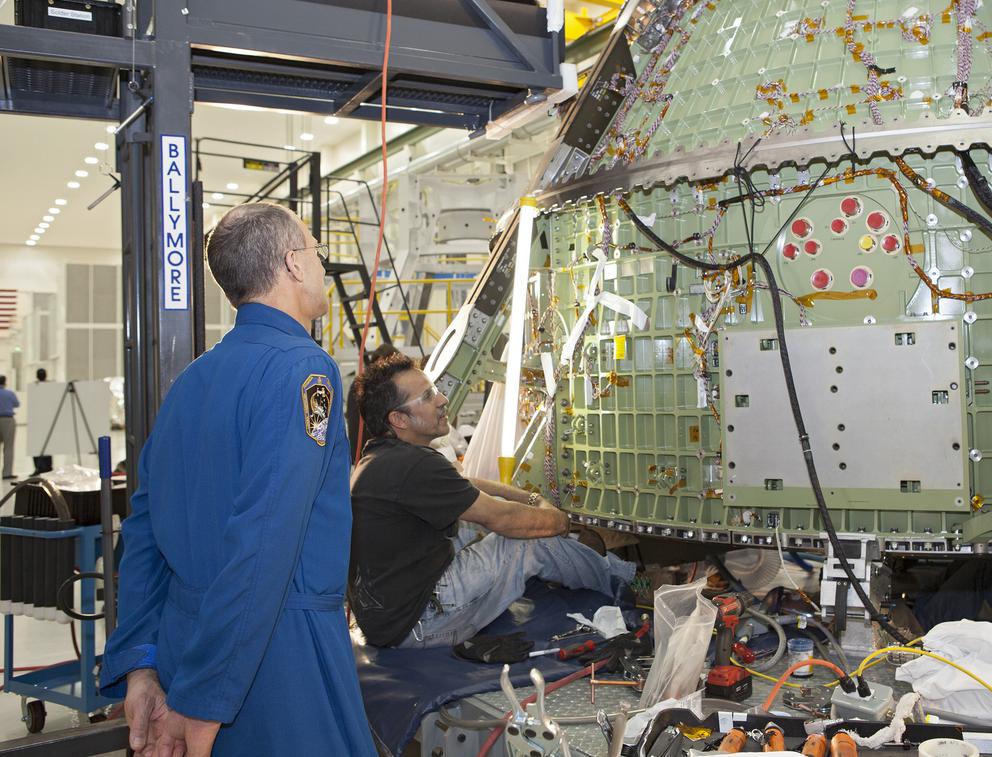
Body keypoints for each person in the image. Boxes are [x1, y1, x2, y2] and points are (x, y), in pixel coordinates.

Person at [100, 202, 375, 757]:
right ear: (294, 264)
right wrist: (204, 703)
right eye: (317, 252)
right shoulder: (305, 370)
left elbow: (144, 535)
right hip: (273, 661)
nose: (321, 266)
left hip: (187, 651)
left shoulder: (190, 382)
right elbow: (264, 542)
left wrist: (141, 666)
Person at [348, 353, 635, 649]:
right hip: (420, 622)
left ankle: (581, 559)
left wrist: (530, 497)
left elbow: (466, 486)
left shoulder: (383, 457)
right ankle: (623, 581)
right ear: (398, 419)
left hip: (387, 618)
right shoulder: (411, 465)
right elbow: (506, 520)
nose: (443, 399)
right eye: (428, 395)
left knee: (474, 526)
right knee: (526, 541)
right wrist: (561, 521)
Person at [30, 368, 51, 474]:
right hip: (43, 419)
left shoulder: (35, 387)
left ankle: (42, 466)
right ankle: (46, 466)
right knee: (42, 444)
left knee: (41, 444)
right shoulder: (49, 387)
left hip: (39, 420)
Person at [0, 376, 17, 480]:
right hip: (8, 419)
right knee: (8, 447)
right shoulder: (9, 393)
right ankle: (7, 473)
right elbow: (16, 403)